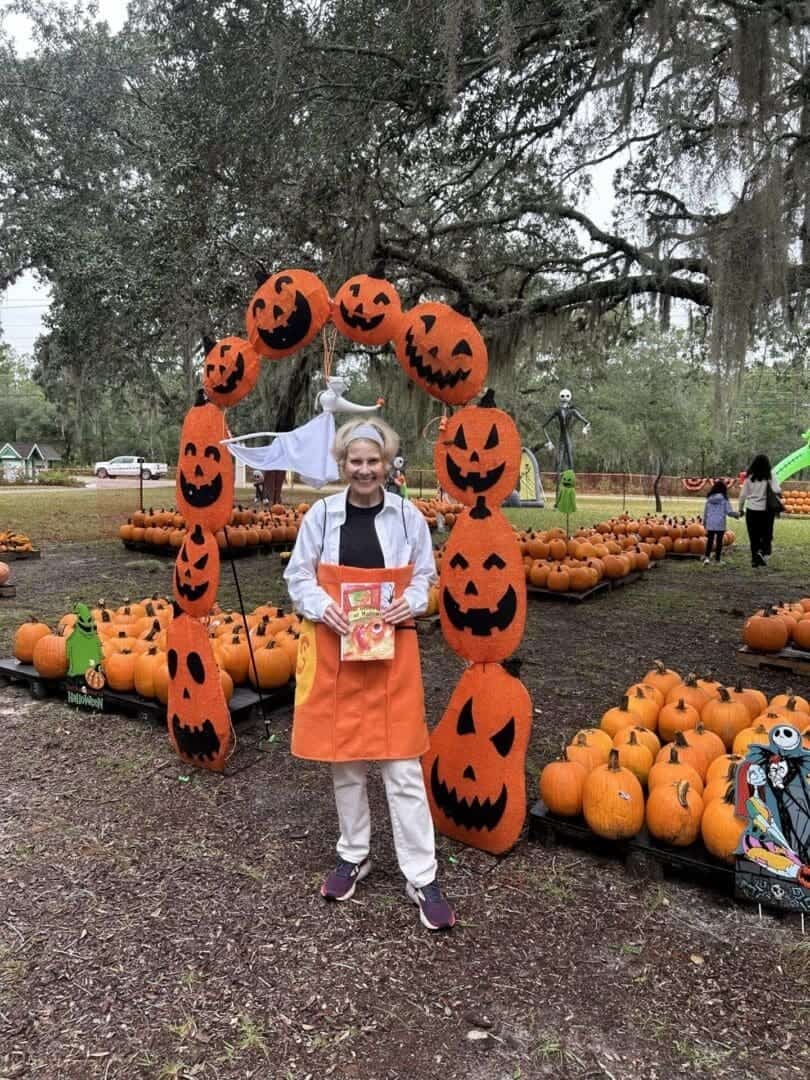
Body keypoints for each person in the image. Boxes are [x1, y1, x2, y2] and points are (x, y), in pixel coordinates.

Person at [284, 417, 456, 931]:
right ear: (343, 465)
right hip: (336, 654)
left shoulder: (408, 518)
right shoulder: (321, 517)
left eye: (372, 461)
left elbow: (425, 577)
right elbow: (298, 575)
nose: (364, 470)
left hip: (392, 656)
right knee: (347, 764)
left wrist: (411, 602)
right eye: (355, 461)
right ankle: (353, 854)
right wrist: (322, 606)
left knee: (403, 767)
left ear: (387, 464)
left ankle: (421, 875)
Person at [738, 454, 782, 567]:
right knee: (766, 534)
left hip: (751, 510)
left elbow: (742, 495)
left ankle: (755, 559)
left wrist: (740, 509)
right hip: (766, 510)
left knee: (753, 535)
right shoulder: (770, 476)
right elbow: (777, 489)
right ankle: (762, 553)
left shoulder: (749, 477)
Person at [701, 480, 739, 564]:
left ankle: (707, 558)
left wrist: (705, 522)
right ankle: (717, 560)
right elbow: (729, 512)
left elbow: (706, 511)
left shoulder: (709, 499)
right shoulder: (724, 499)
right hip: (720, 523)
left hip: (710, 522)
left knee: (710, 541)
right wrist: (736, 515)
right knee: (719, 542)